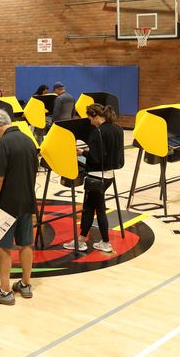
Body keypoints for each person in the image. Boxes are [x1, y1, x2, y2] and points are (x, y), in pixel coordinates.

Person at [0, 109, 38, 305]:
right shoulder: (28, 139)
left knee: (3, 247)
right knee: (25, 243)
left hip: (7, 204)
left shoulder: (2, 144)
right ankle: (25, 283)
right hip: (27, 200)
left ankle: (5, 291)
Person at [63, 104, 124, 254]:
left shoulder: (98, 132)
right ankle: (82, 239)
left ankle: (104, 242)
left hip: (96, 176)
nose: (90, 122)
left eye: (90, 118)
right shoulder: (117, 129)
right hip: (109, 175)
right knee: (90, 208)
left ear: (96, 116)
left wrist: (82, 152)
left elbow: (96, 158)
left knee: (98, 209)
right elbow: (107, 151)